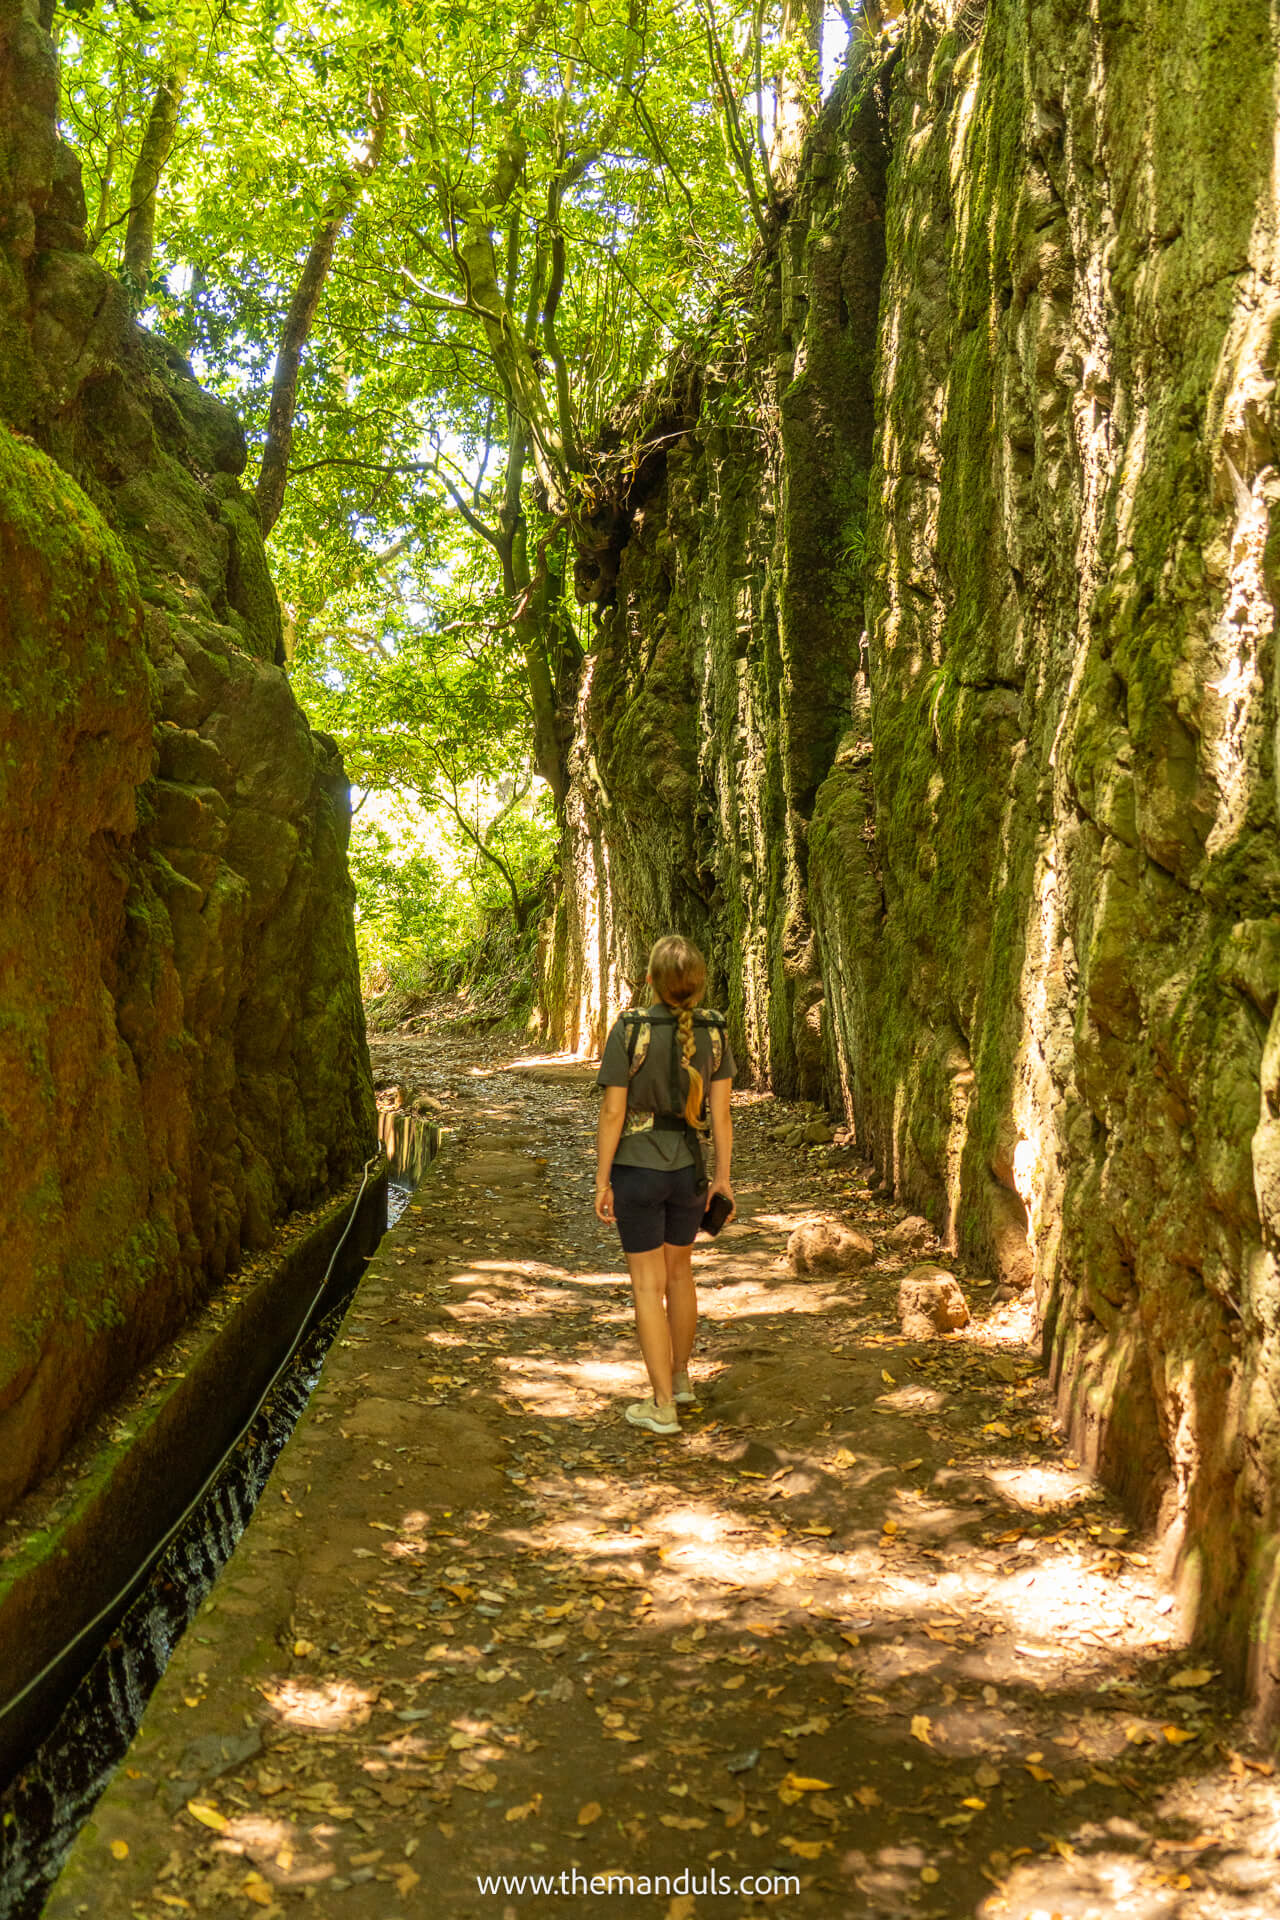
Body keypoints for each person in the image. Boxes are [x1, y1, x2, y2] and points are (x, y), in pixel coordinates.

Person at [594, 935, 736, 1435]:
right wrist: (722, 1179)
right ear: (698, 984)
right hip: (689, 1172)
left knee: (647, 1286)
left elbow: (613, 1112)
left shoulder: (631, 1028)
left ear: (650, 980)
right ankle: (679, 1379)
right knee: (680, 1275)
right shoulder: (714, 1030)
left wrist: (602, 1179)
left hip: (637, 1170)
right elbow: (721, 1115)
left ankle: (661, 1406)